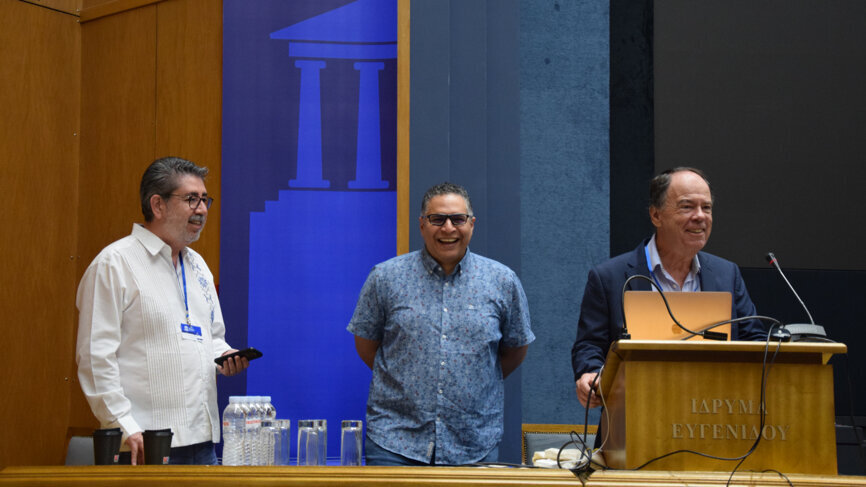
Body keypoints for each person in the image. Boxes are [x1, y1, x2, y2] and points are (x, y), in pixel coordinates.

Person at [76, 157, 250, 465]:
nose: (202, 209)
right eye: (191, 199)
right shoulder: (114, 264)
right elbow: (94, 358)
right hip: (143, 445)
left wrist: (226, 356)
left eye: (205, 199)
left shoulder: (198, 266)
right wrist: (123, 425)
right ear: (158, 205)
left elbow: (212, 338)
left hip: (202, 442)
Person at [348, 182, 535, 466]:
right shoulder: (385, 278)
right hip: (394, 442)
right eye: (438, 219)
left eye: (458, 219)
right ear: (422, 225)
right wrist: (405, 378)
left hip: (473, 443)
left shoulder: (502, 281)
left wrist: (472, 381)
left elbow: (514, 350)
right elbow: (366, 345)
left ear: (472, 224)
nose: (448, 228)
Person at [571, 167, 766, 409]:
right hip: (633, 419)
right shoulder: (609, 277)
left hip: (713, 418)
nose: (700, 216)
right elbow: (589, 345)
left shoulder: (727, 275)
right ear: (656, 215)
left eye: (706, 207)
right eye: (687, 207)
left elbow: (754, 341)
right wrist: (590, 374)